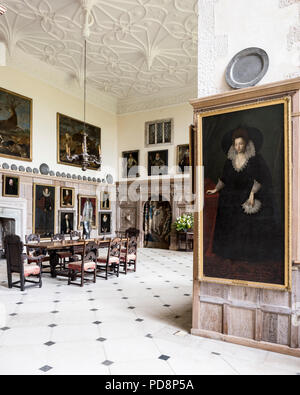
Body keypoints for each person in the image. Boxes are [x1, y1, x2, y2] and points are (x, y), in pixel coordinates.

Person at [206, 127, 281, 262]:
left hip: (250, 192)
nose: (238, 147)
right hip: (232, 194)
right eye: (235, 144)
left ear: (246, 143)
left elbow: (261, 177)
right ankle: (230, 251)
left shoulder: (255, 159)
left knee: (249, 217)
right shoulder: (230, 159)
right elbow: (224, 178)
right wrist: (215, 189)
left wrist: (252, 194)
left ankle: (247, 254)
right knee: (226, 207)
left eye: (240, 144)